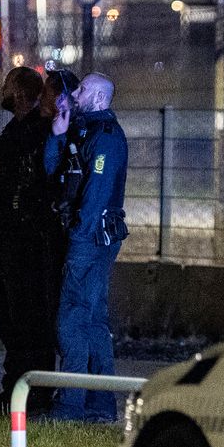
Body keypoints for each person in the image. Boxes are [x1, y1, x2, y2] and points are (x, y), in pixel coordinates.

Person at [0, 66, 65, 415]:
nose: (3, 91)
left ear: (22, 93)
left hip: (28, 242)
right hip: (6, 239)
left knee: (30, 323)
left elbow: (37, 180)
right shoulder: (14, 130)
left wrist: (2, 172)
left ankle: (33, 395)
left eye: (9, 85)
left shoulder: (39, 132)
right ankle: (13, 391)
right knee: (9, 320)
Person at [44, 72, 129, 422]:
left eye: (82, 90)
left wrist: (78, 238)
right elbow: (53, 171)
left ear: (98, 97)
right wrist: (57, 136)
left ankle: (70, 405)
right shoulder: (83, 132)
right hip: (88, 236)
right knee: (92, 321)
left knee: (70, 320)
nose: (75, 94)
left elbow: (96, 196)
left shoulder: (105, 137)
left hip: (90, 239)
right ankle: (100, 405)